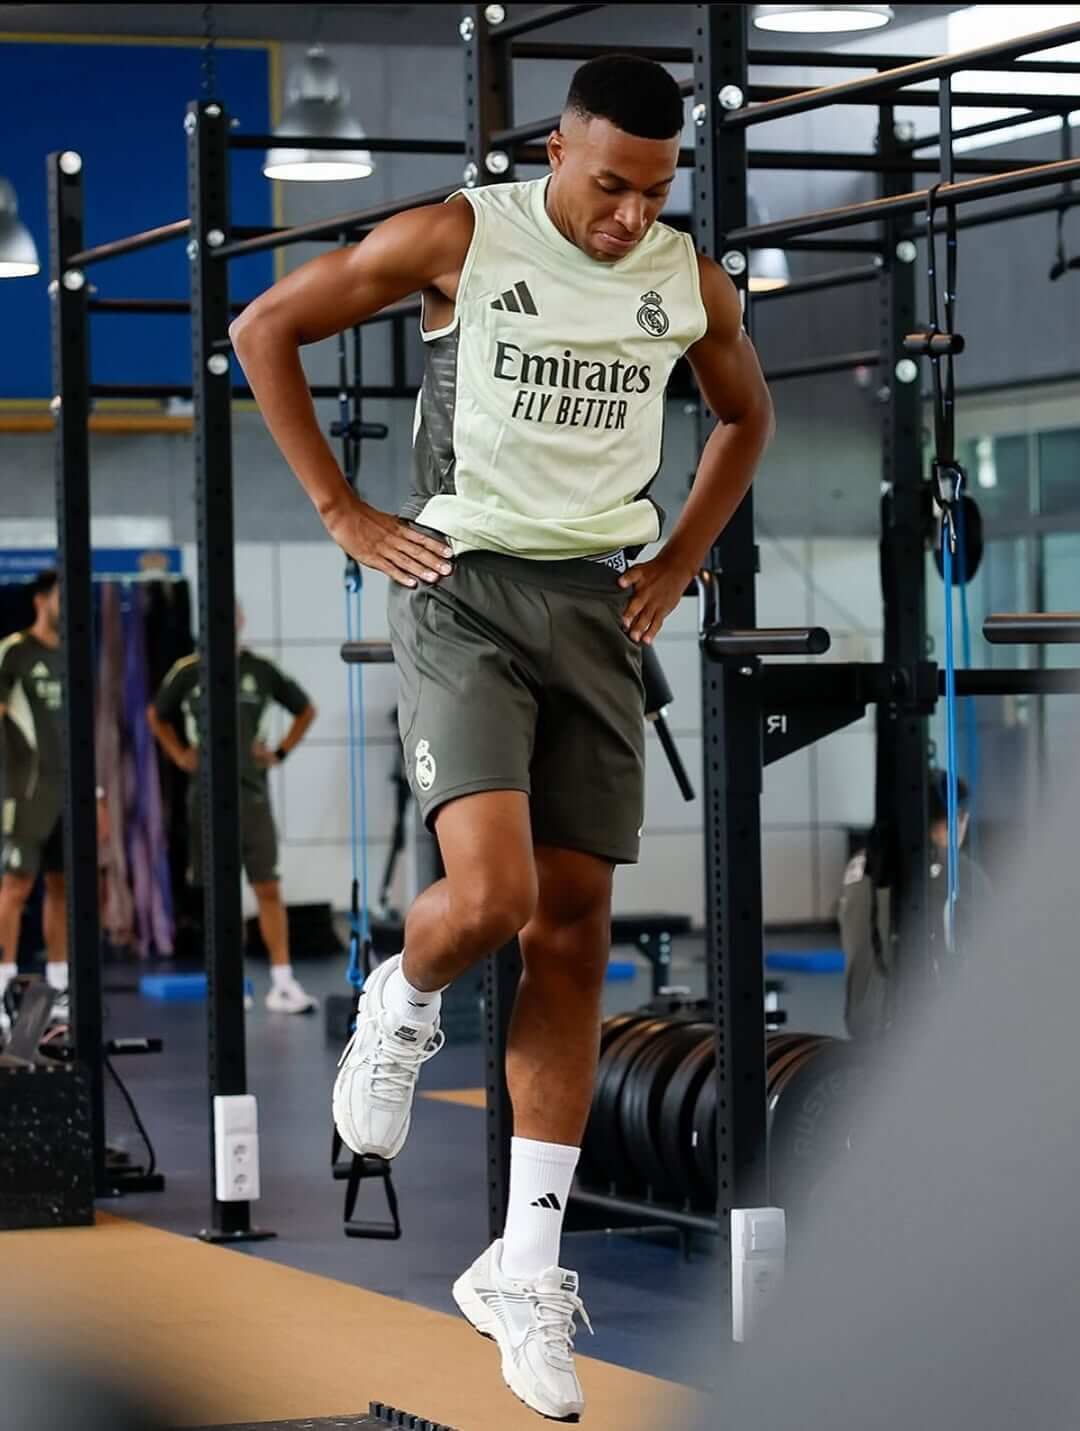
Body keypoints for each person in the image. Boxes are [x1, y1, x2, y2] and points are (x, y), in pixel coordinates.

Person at [231, 54, 772, 1421]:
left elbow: (744, 415)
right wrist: (345, 512)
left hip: (598, 597)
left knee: (579, 922)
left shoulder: (684, 275)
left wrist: (680, 559)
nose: (629, 216)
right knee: (495, 893)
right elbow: (263, 328)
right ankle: (400, 1001)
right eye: (608, 185)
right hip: (460, 587)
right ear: (557, 148)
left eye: (654, 192)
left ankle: (522, 1266)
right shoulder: (461, 235)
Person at [147, 606, 319, 1015]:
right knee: (215, 892)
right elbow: (157, 715)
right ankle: (226, 981)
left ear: (240, 621)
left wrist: (278, 752)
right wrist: (178, 754)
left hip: (251, 793)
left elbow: (304, 709)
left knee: (267, 886)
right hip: (205, 794)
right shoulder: (187, 671)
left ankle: (282, 982)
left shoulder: (259, 670)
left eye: (234, 615)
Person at [0, 570, 107, 1022]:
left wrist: (97, 792)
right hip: (26, 792)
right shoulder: (15, 651)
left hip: (72, 792)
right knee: (15, 887)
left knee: (64, 887)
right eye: (65, 597)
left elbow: (85, 730)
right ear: (43, 600)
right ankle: (3, 988)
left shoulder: (74, 656)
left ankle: (60, 986)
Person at [840, 770, 993, 1040]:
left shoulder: (860, 864)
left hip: (863, 1024)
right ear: (953, 822)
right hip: (926, 1032)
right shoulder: (962, 874)